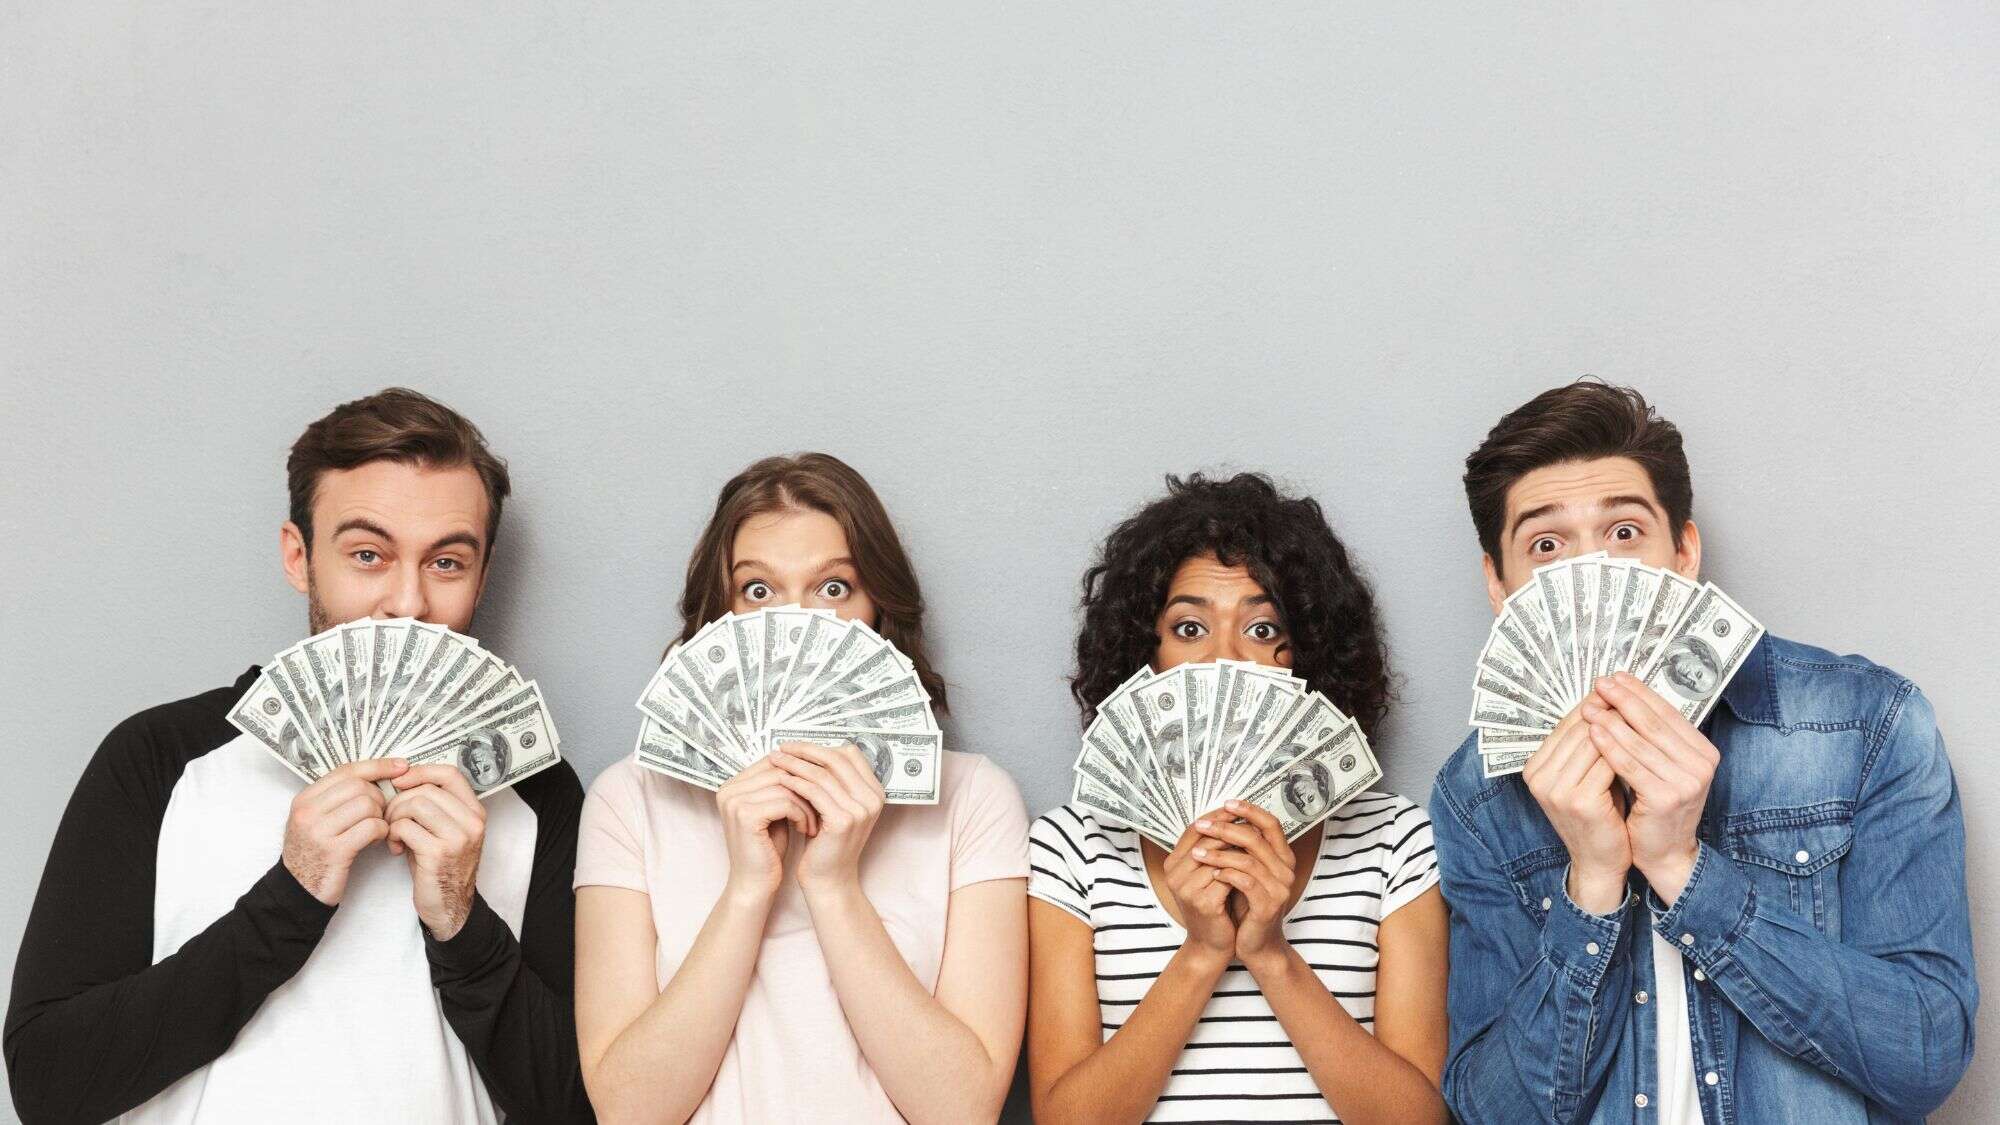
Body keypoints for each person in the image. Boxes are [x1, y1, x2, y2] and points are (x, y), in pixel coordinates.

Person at [5, 388, 593, 1124]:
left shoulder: (537, 788)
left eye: (446, 561)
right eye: (368, 554)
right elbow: (49, 1083)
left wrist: (462, 922)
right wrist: (291, 895)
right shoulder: (159, 756)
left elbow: (581, 1105)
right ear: (298, 555)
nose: (406, 602)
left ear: (482, 572)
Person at [1429, 380, 1978, 1124]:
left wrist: (1684, 871)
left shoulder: (1865, 723)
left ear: (1684, 551)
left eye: (1625, 532)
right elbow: (1493, 1111)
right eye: (1547, 545)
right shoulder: (1478, 793)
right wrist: (1590, 883)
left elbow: (1926, 1056)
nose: (1596, 575)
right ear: (1499, 584)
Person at [574, 452, 1029, 1124]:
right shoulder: (630, 800)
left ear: (878, 608)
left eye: (833, 588)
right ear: (718, 617)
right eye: (758, 591)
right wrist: (748, 887)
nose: (798, 626)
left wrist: (834, 884)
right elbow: (629, 1111)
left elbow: (963, 1109)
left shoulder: (974, 800)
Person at [1027, 472, 1450, 1125]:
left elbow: (1418, 1119)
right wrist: (1200, 952)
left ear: (1305, 654)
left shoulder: (1394, 841)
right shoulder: (1072, 846)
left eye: (1261, 628)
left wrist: (1270, 951)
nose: (1224, 659)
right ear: (1148, 654)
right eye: (1189, 628)